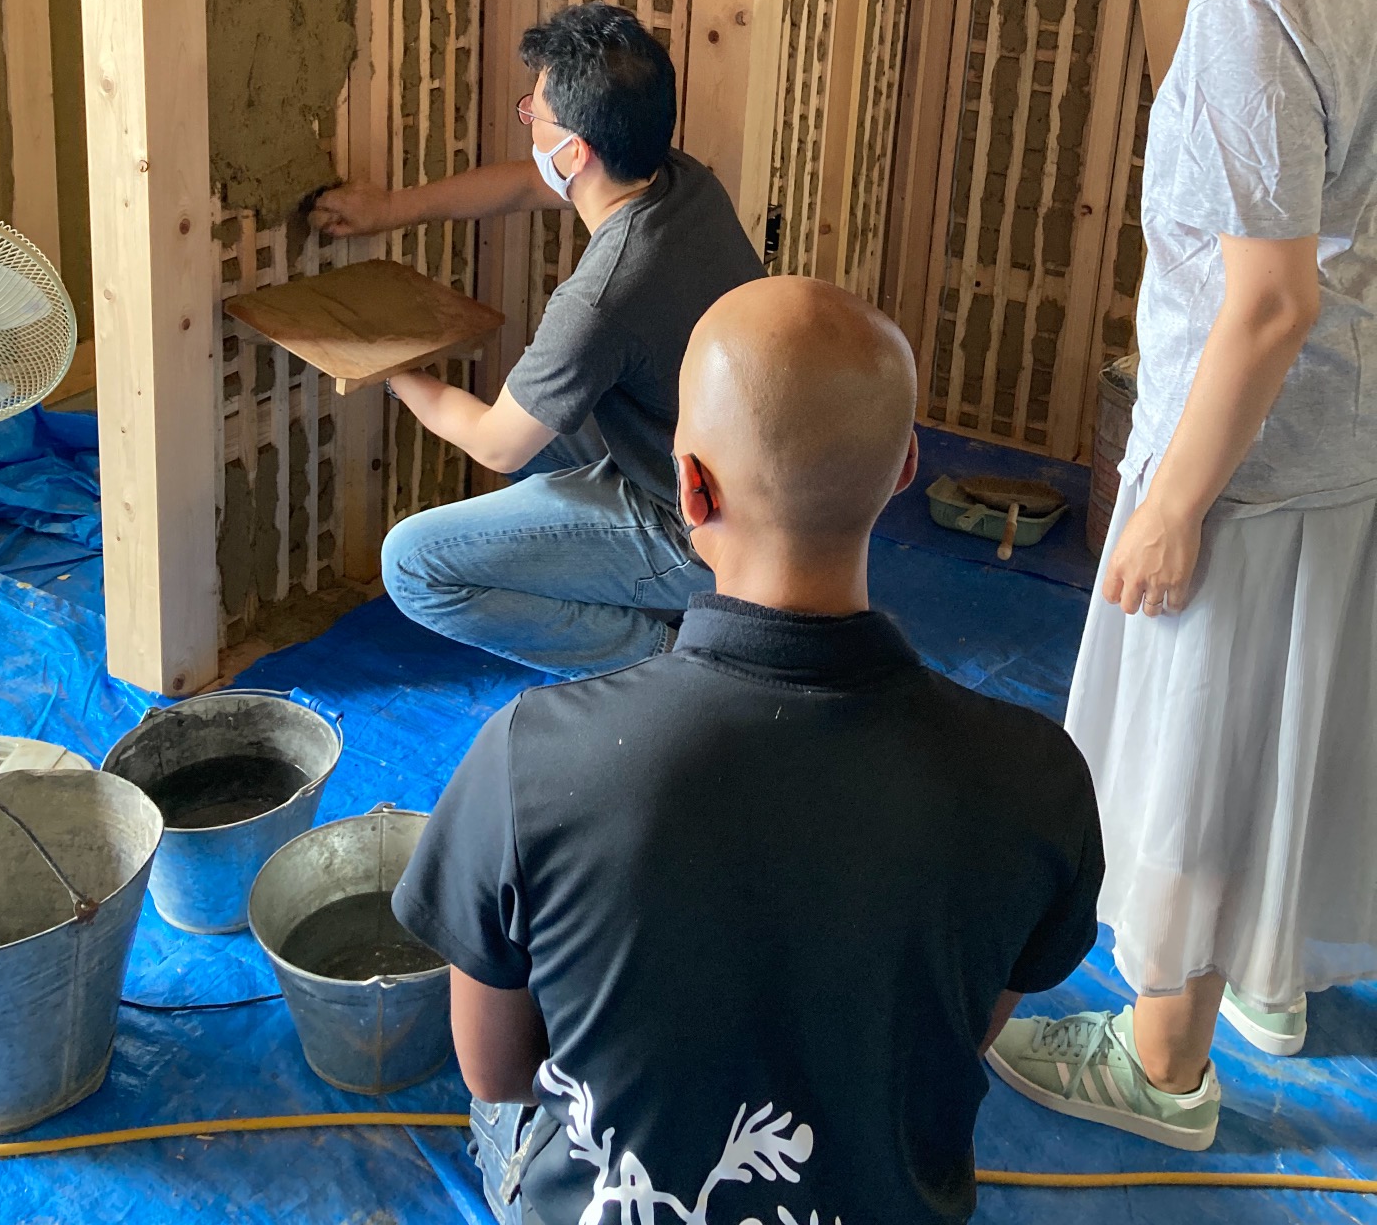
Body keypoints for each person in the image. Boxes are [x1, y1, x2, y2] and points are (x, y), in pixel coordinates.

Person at [390, 278, 1104, 1225]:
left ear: (691, 485)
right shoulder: (1038, 780)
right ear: (906, 468)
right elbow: (960, 1037)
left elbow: (498, 1071)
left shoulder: (532, 760)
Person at [986, 0, 1377, 1150]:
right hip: (1351, 423)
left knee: (1193, 752)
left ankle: (1163, 1070)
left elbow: (1265, 303)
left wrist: (1167, 506)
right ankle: (1270, 983)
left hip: (1254, 442)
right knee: (1297, 719)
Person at [312, 1, 765, 676]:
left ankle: (670, 668)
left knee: (413, 563)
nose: (528, 122)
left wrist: (387, 365)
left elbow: (496, 443)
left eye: (534, 114)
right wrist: (390, 210)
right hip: (746, 486)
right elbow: (528, 183)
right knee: (540, 415)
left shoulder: (603, 295)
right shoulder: (681, 181)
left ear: (575, 151)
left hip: (700, 533)